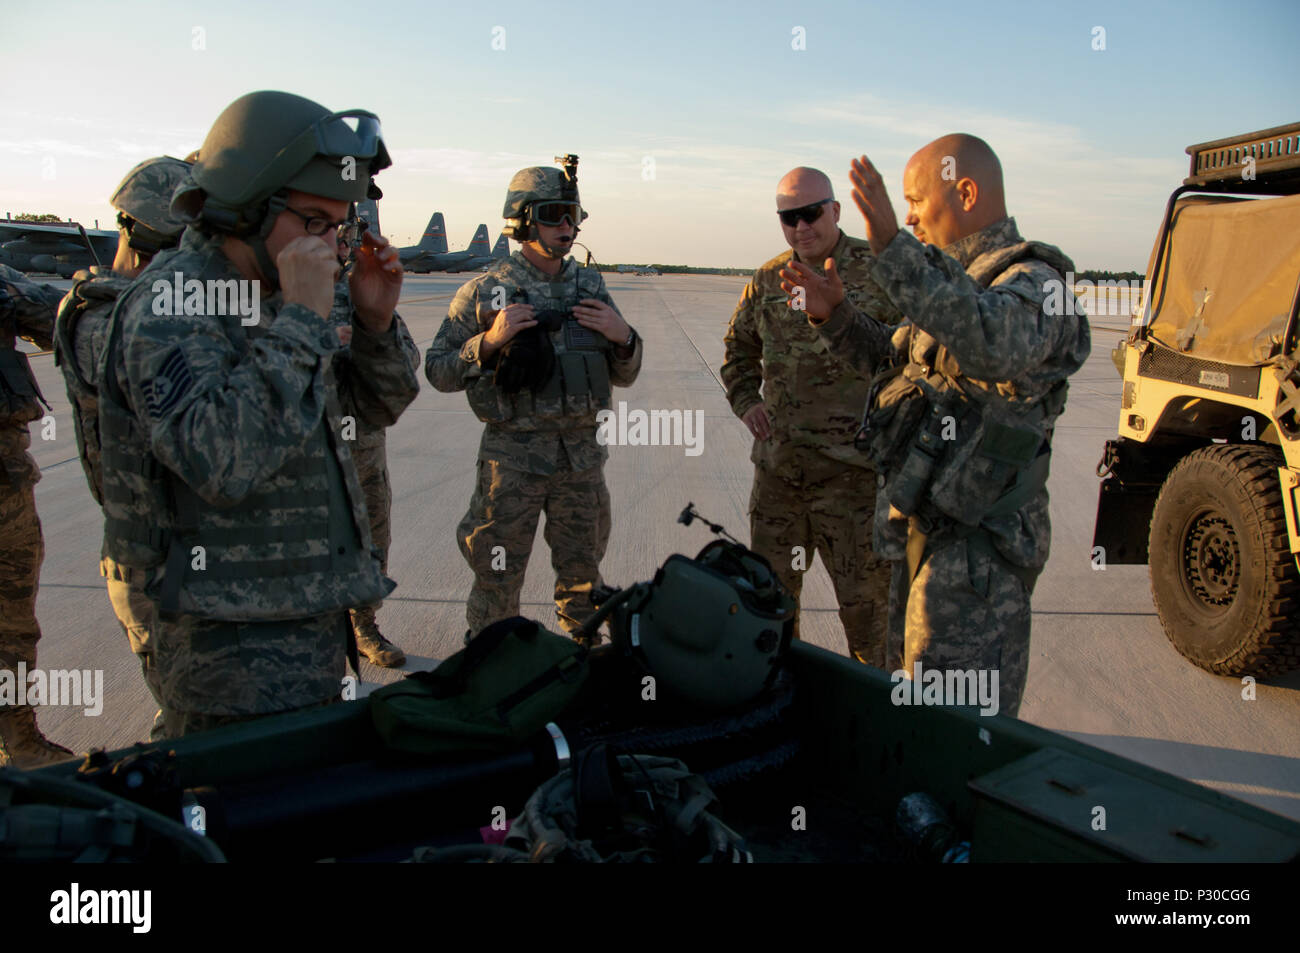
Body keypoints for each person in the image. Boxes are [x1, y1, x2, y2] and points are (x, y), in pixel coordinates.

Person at [98, 91, 420, 737]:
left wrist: (376, 323)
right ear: (245, 207)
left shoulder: (286, 287)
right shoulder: (173, 301)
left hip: (309, 612)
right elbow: (221, 461)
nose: (329, 242)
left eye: (339, 224)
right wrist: (303, 317)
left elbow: (373, 408)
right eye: (313, 220)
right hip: (229, 644)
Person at [780, 134, 1090, 716]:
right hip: (922, 539)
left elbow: (992, 344)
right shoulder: (951, 285)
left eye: (916, 202)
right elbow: (892, 361)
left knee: (959, 732)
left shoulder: (1036, 285)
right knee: (913, 711)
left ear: (966, 192)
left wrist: (893, 247)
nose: (911, 218)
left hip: (979, 562)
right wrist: (835, 316)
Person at [425, 160, 642, 643]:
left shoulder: (591, 285)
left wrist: (624, 337)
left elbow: (624, 374)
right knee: (497, 580)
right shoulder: (485, 290)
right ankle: (491, 678)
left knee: (584, 581)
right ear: (523, 221)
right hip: (513, 465)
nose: (567, 226)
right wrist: (487, 343)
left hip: (581, 463)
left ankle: (581, 674)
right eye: (553, 215)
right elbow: (438, 370)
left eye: (573, 214)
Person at [721, 167, 900, 666]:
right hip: (781, 479)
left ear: (836, 211)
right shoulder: (767, 280)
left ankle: (872, 727)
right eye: (788, 217)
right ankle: (779, 718)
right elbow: (737, 351)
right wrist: (746, 401)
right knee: (770, 616)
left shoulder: (879, 270)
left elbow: (914, 355)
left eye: (811, 213)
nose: (801, 227)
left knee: (871, 623)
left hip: (855, 482)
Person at [55, 155, 193, 741]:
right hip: (149, 549)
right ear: (139, 235)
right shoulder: (103, 318)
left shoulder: (160, 308)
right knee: (189, 713)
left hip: (189, 540)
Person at [0, 264, 75, 767]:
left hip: (4, 482)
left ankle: (19, 739)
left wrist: (8, 300)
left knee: (11, 622)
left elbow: (62, 322)